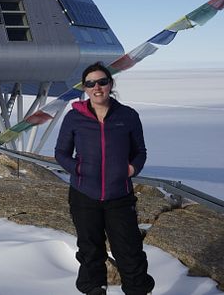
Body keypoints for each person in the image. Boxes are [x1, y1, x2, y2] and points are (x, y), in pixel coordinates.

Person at [55, 62, 155, 295]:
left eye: (102, 82)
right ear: (85, 88)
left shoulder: (127, 116)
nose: (97, 87)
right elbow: (61, 153)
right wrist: (77, 168)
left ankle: (138, 291)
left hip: (119, 195)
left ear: (110, 84)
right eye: (90, 83)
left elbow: (140, 151)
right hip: (83, 195)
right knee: (90, 250)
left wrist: (131, 170)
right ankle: (94, 289)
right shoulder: (74, 117)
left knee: (129, 250)